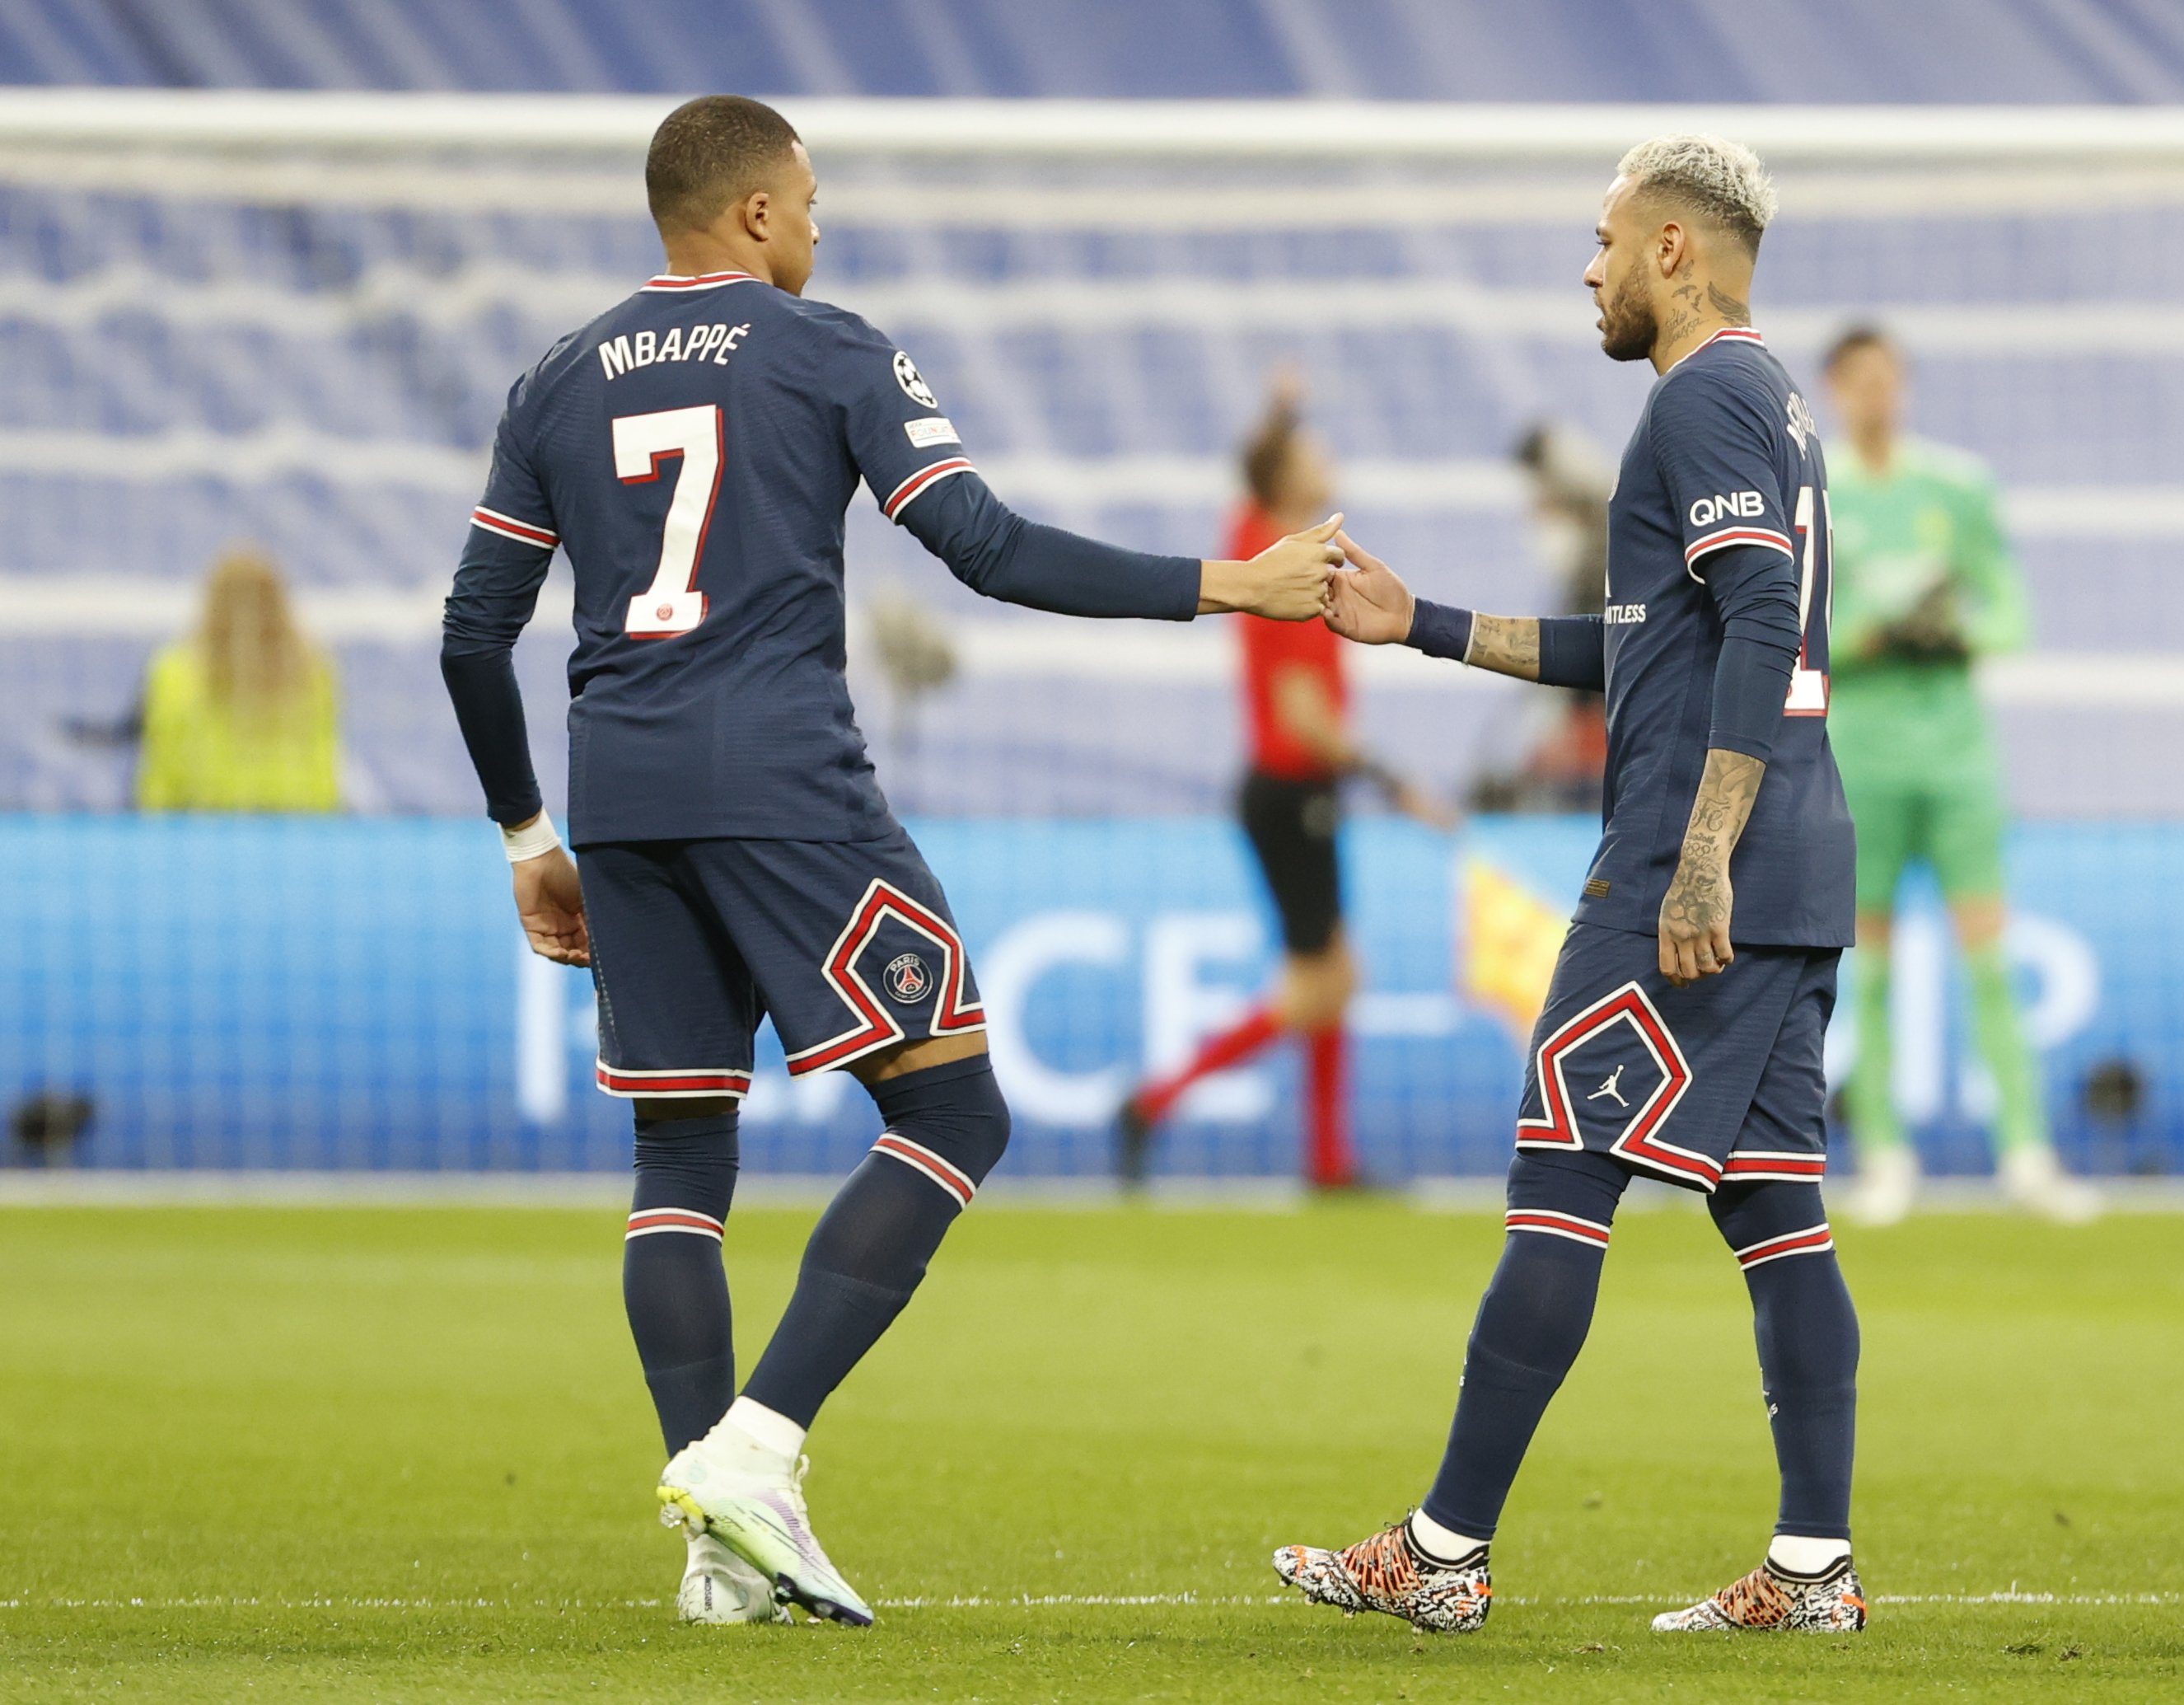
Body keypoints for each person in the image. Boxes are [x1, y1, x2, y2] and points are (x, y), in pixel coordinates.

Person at [439, 96, 1340, 1628]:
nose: (818, 224)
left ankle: (718, 1552)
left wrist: (528, 835)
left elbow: (471, 633)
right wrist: (1232, 585)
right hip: (783, 780)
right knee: (954, 1101)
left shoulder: (555, 375)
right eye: (807, 199)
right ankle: (762, 1445)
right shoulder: (832, 346)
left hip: (620, 792)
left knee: (677, 1162)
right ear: (750, 214)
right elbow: (985, 545)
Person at [1277, 133, 1867, 1637]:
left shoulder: (1706, 394)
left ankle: (1442, 1549)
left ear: (1674, 248)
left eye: (1604, 239)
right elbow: (1648, 641)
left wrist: (1697, 854)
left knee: (1561, 1175)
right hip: (1797, 863)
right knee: (1775, 1208)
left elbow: (1757, 619)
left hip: (1697, 869)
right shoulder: (1762, 399)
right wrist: (1423, 625)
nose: (1586, 268)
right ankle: (1812, 1567)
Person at [1115, 375, 1446, 1191]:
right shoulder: (1291, 575)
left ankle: (1326, 1159)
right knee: (1325, 981)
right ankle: (1159, 1101)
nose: (1325, 461)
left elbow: (1252, 482)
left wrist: (1282, 412)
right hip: (1294, 793)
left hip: (1287, 793)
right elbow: (1304, 717)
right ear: (1286, 477)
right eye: (1310, 453)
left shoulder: (1262, 538)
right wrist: (1389, 777)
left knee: (1331, 975)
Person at [1820, 326, 2097, 1226]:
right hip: (1862, 752)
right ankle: (1885, 1157)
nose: (1875, 395)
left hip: (1957, 753)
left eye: (1887, 379)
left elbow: (2012, 610)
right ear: (1833, 389)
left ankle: (2025, 1153)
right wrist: (1870, 630)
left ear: (1902, 387)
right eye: (1858, 381)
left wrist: (1960, 633)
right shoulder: (1812, 492)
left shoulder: (1958, 486)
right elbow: (1791, 632)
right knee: (1865, 965)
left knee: (1988, 954)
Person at [134, 547, 340, 813]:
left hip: (205, 827)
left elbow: (161, 773)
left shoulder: (174, 670)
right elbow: (324, 772)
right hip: (292, 827)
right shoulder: (315, 669)